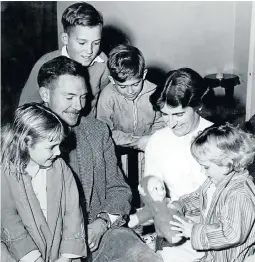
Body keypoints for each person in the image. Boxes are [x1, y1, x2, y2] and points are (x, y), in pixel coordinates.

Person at [35, 56, 163, 262]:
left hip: (101, 237)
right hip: (48, 243)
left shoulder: (96, 131)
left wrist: (101, 223)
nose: (78, 106)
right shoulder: (24, 136)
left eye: (83, 96)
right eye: (69, 97)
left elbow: (119, 189)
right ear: (45, 94)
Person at [1, 103, 86, 262]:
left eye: (59, 145)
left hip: (60, 251)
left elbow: (73, 212)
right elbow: (9, 219)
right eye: (52, 147)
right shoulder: (6, 173)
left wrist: (66, 257)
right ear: (27, 142)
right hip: (19, 255)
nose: (59, 152)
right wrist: (33, 259)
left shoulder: (61, 168)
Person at [143, 68, 213, 251]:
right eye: (165, 114)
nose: (171, 123)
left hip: (214, 231)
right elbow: (150, 190)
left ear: (197, 105)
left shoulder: (218, 139)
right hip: (173, 230)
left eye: (179, 114)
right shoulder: (157, 141)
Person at [165, 124, 255, 262]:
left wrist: (193, 231)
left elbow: (231, 234)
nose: (202, 171)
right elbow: (197, 198)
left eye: (205, 166)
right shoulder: (214, 182)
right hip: (212, 255)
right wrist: (179, 204)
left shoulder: (240, 194)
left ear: (227, 164)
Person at [18, 2, 109, 115]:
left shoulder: (103, 63)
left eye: (96, 43)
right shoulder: (45, 63)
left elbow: (105, 102)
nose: (89, 51)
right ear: (65, 39)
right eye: (82, 43)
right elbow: (26, 108)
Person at [97, 44, 165, 181]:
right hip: (117, 153)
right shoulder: (107, 96)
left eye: (135, 84)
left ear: (144, 75)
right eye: (122, 86)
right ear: (111, 80)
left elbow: (161, 123)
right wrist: (136, 141)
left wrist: (152, 141)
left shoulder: (156, 92)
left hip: (150, 150)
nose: (130, 91)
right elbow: (104, 131)